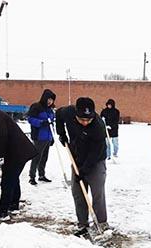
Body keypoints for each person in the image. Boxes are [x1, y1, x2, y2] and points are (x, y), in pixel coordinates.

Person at [56, 97, 108, 236]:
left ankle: (101, 223)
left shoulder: (98, 127)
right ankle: (82, 223)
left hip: (95, 161)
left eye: (88, 120)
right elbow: (58, 114)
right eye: (82, 120)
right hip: (77, 157)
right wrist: (61, 133)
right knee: (78, 192)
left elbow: (95, 153)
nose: (85, 123)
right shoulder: (68, 112)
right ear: (76, 114)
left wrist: (83, 171)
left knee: (97, 192)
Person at [27, 89, 56, 185]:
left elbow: (51, 124)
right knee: (37, 157)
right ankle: (32, 176)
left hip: (47, 137)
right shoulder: (36, 107)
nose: (50, 101)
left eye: (52, 100)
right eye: (48, 99)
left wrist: (52, 138)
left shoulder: (50, 110)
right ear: (44, 98)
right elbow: (30, 119)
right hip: (39, 136)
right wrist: (41, 123)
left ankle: (41, 175)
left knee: (44, 157)